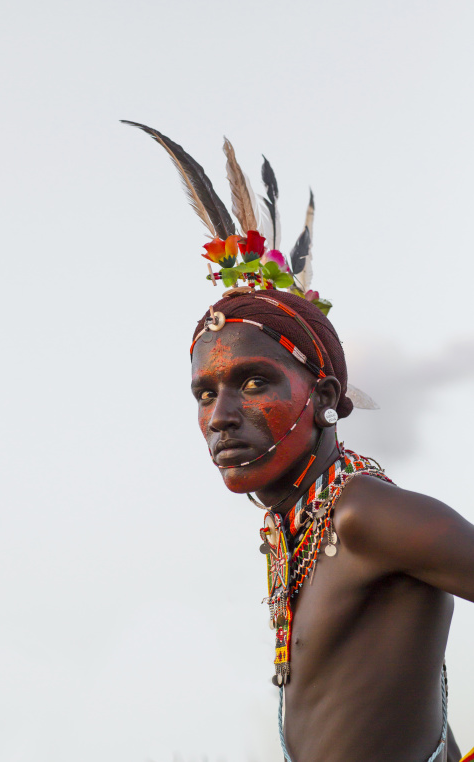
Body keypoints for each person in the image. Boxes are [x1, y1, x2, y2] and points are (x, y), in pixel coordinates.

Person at [123, 121, 474, 762]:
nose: (222, 415)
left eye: (253, 381)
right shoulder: (294, 527)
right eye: (205, 394)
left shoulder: (367, 514)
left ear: (323, 397)